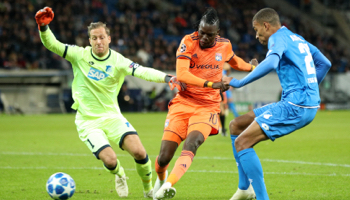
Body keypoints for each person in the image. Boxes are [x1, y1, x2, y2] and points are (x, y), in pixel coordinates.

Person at [35, 7, 183, 198]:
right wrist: (43, 27)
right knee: (111, 160)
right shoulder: (78, 55)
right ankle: (119, 174)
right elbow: (52, 44)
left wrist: (166, 78)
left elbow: (143, 71)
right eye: (94, 38)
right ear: (89, 40)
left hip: (112, 117)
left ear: (109, 39)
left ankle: (148, 192)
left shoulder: (118, 61)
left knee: (139, 152)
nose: (99, 41)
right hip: (88, 121)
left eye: (102, 37)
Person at [223, 8, 331, 200]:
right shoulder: (297, 38)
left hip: (295, 105)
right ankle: (244, 188)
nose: (256, 36)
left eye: (257, 30)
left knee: (242, 142)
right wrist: (311, 91)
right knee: (236, 125)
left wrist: (238, 82)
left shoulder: (276, 38)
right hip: (302, 103)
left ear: (267, 25)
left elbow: (272, 62)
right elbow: (324, 63)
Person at [153, 7, 257, 199]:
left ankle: (168, 185)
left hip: (207, 107)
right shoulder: (188, 41)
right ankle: (160, 178)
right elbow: (182, 74)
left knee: (193, 143)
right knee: (164, 157)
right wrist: (212, 84)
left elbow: (235, 62)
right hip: (183, 102)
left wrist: (252, 67)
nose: (204, 38)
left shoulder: (224, 45)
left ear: (217, 34)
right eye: (201, 33)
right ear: (198, 29)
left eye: (209, 35)